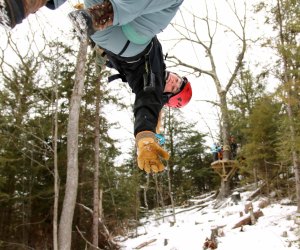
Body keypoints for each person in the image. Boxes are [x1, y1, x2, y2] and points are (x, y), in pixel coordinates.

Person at [1, 0, 193, 174]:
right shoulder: (159, 61)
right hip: (108, 26)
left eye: (174, 88)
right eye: (178, 80)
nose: (173, 81)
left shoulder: (154, 80)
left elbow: (148, 101)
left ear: (166, 97)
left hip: (127, 38)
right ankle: (18, 6)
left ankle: (101, 14)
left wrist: (145, 138)